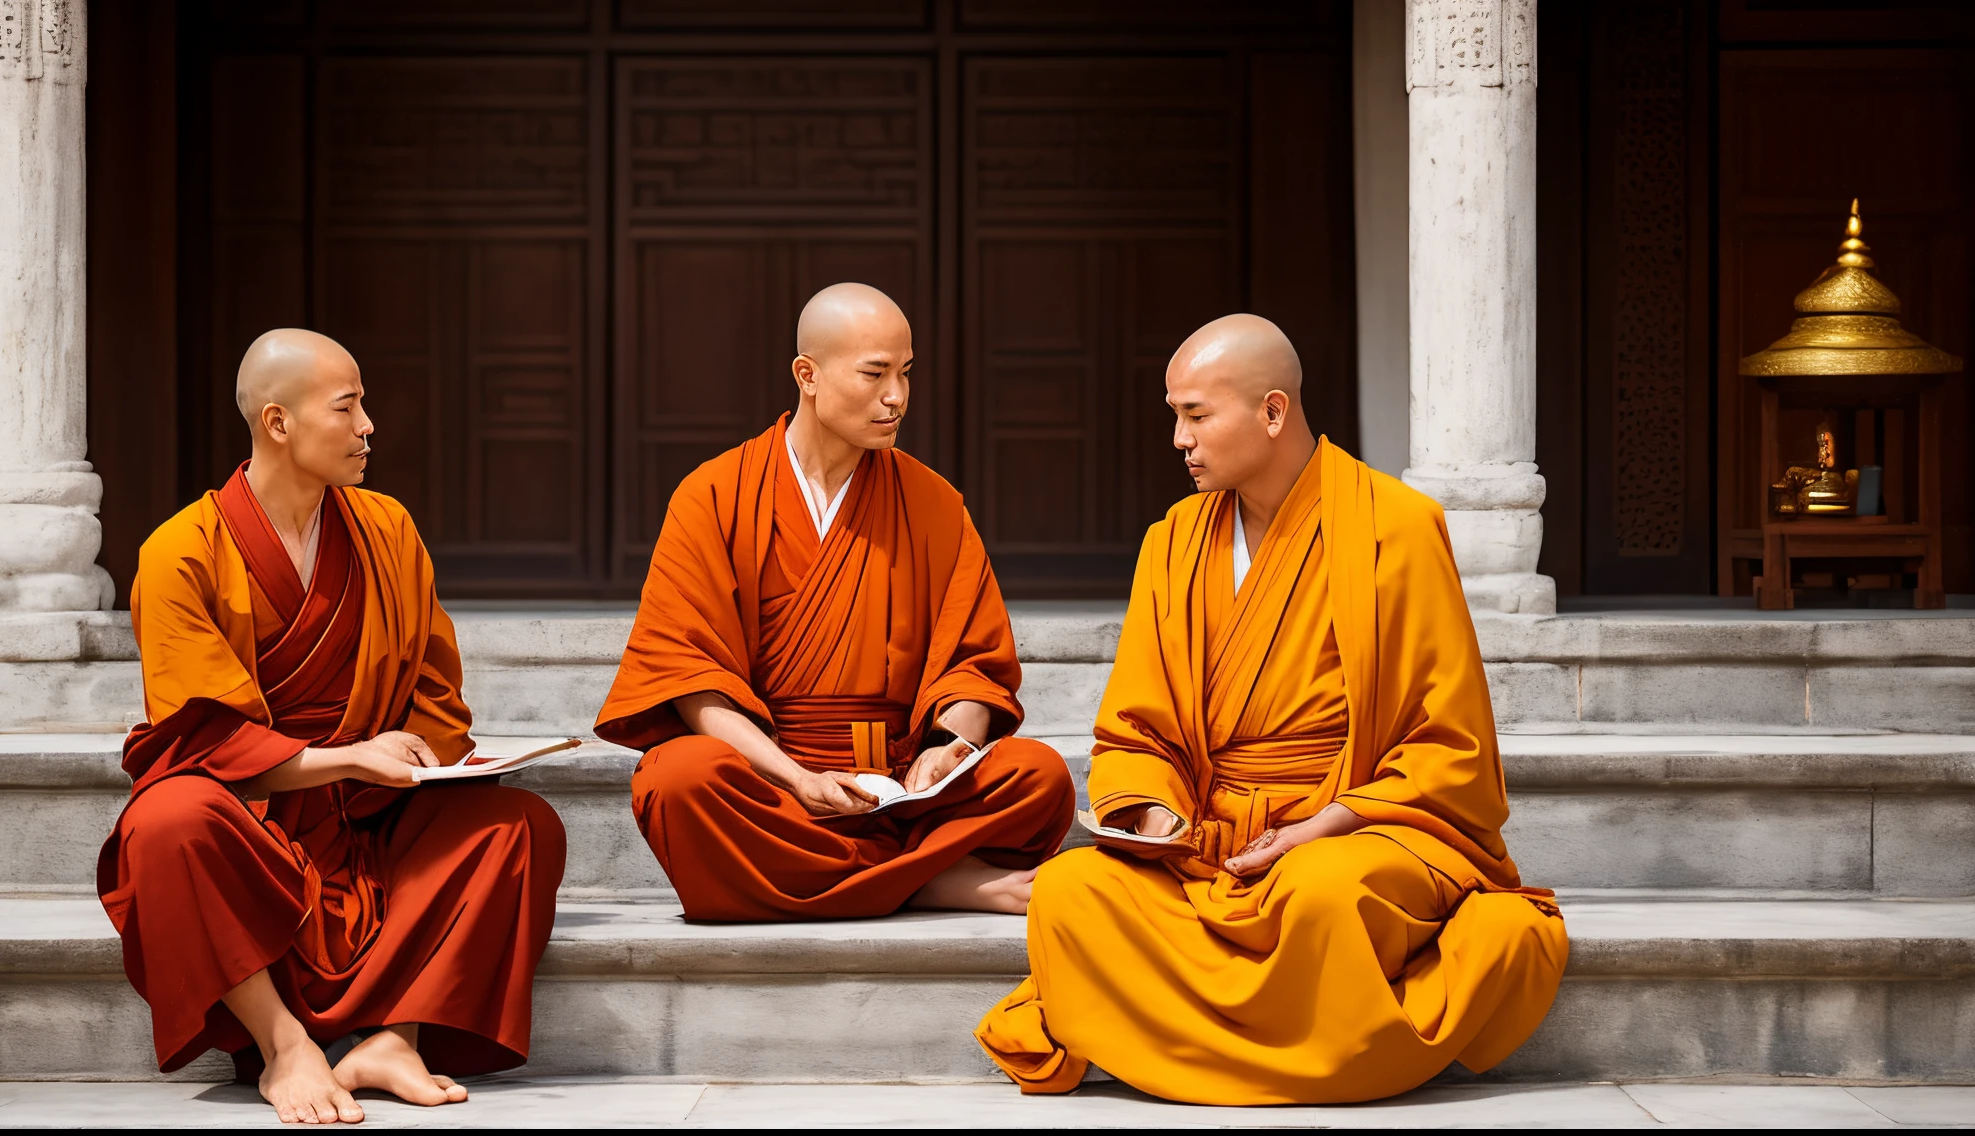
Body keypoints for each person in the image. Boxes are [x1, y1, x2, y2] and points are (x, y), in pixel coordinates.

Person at [974, 314, 1567, 1104]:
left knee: (1322, 895)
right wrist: (1155, 816)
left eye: (1196, 415)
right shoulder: (1176, 540)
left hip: (1356, 826)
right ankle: (1280, 1050)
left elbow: (1448, 743)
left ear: (1274, 412)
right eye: (1174, 416)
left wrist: (1322, 826)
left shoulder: (1397, 528)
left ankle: (1189, 1049)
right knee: (1069, 891)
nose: (1179, 440)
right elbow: (1137, 728)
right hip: (1213, 840)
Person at [96, 328, 567, 1125]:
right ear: (277, 423)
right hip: (252, 818)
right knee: (166, 823)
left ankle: (396, 1037)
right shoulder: (179, 552)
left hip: (372, 810)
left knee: (517, 825)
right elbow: (202, 741)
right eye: (347, 407)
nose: (368, 427)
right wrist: (347, 759)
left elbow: (436, 694)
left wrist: (426, 761)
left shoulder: (386, 529)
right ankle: (285, 1046)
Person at [596, 283, 1073, 921]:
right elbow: (691, 676)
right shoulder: (712, 495)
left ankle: (825, 879)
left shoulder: (933, 503)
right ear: (807, 374)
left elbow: (973, 662)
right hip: (770, 781)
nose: (897, 397)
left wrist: (943, 748)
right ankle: (929, 880)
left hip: (904, 784)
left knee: (1038, 774)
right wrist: (796, 779)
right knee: (676, 779)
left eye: (905, 374)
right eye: (874, 374)